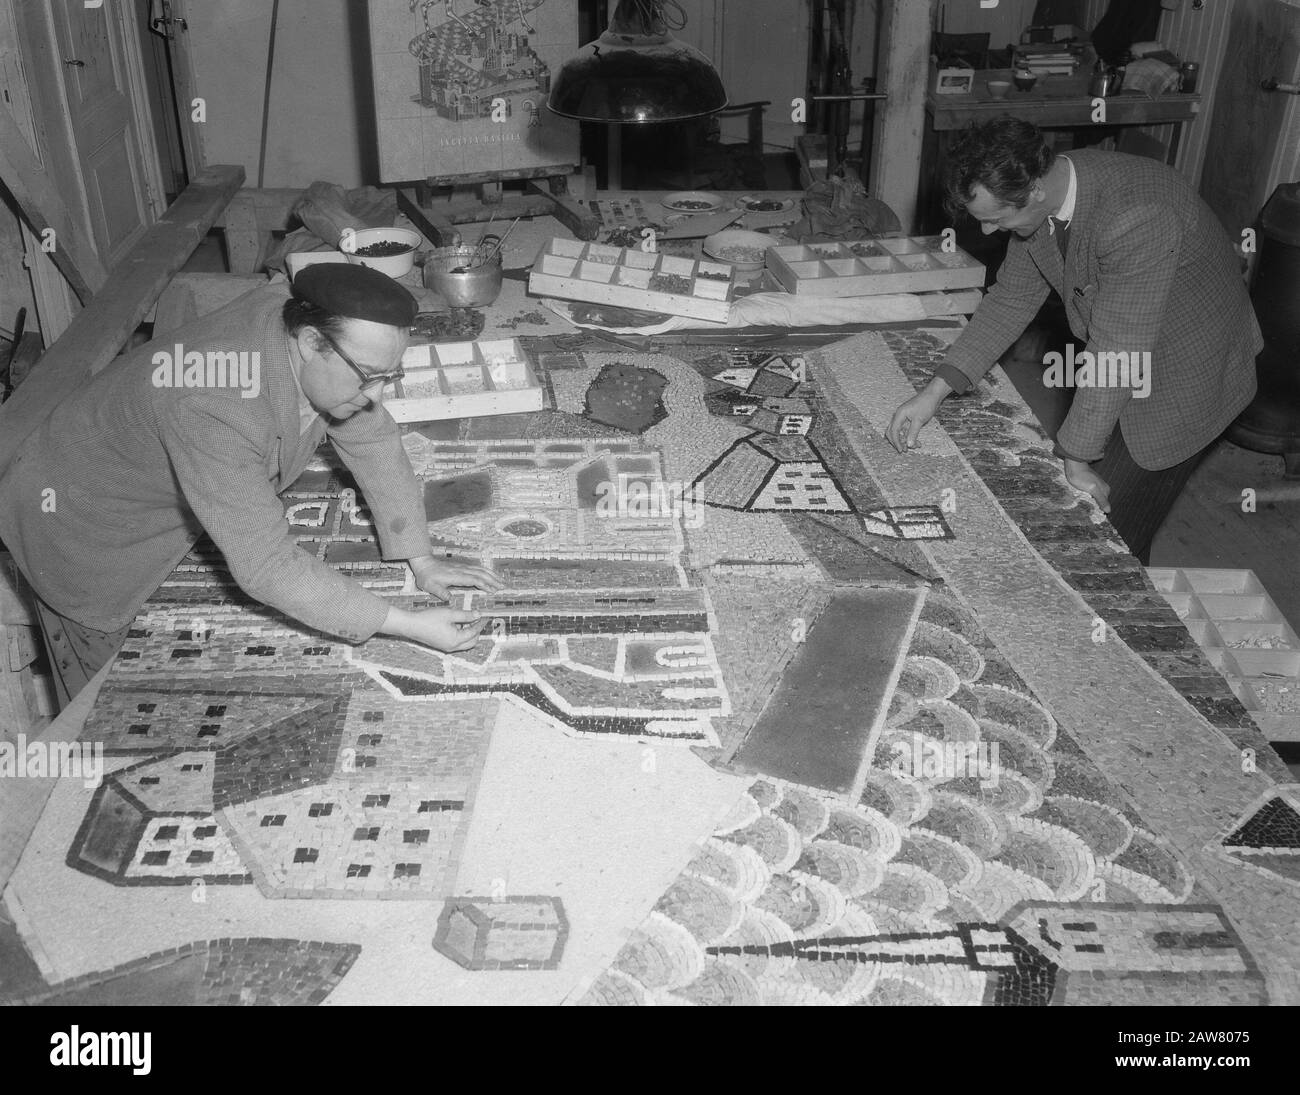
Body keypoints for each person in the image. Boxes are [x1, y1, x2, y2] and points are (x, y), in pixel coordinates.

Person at [0, 264, 503, 705]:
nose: (375, 397)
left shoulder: (296, 323)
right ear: (310, 343)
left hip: (136, 472)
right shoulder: (214, 402)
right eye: (368, 376)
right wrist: (406, 622)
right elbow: (265, 566)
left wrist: (422, 558)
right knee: (114, 703)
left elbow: (372, 440)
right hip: (76, 524)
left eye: (387, 377)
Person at [887, 117, 1261, 564]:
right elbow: (1010, 300)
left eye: (996, 219)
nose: (988, 232)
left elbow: (1116, 353)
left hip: (1189, 367)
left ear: (1035, 191)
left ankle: (1124, 615)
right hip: (1126, 347)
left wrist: (1077, 456)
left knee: (1104, 538)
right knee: (1093, 507)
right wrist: (935, 392)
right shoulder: (1045, 191)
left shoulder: (1138, 216)